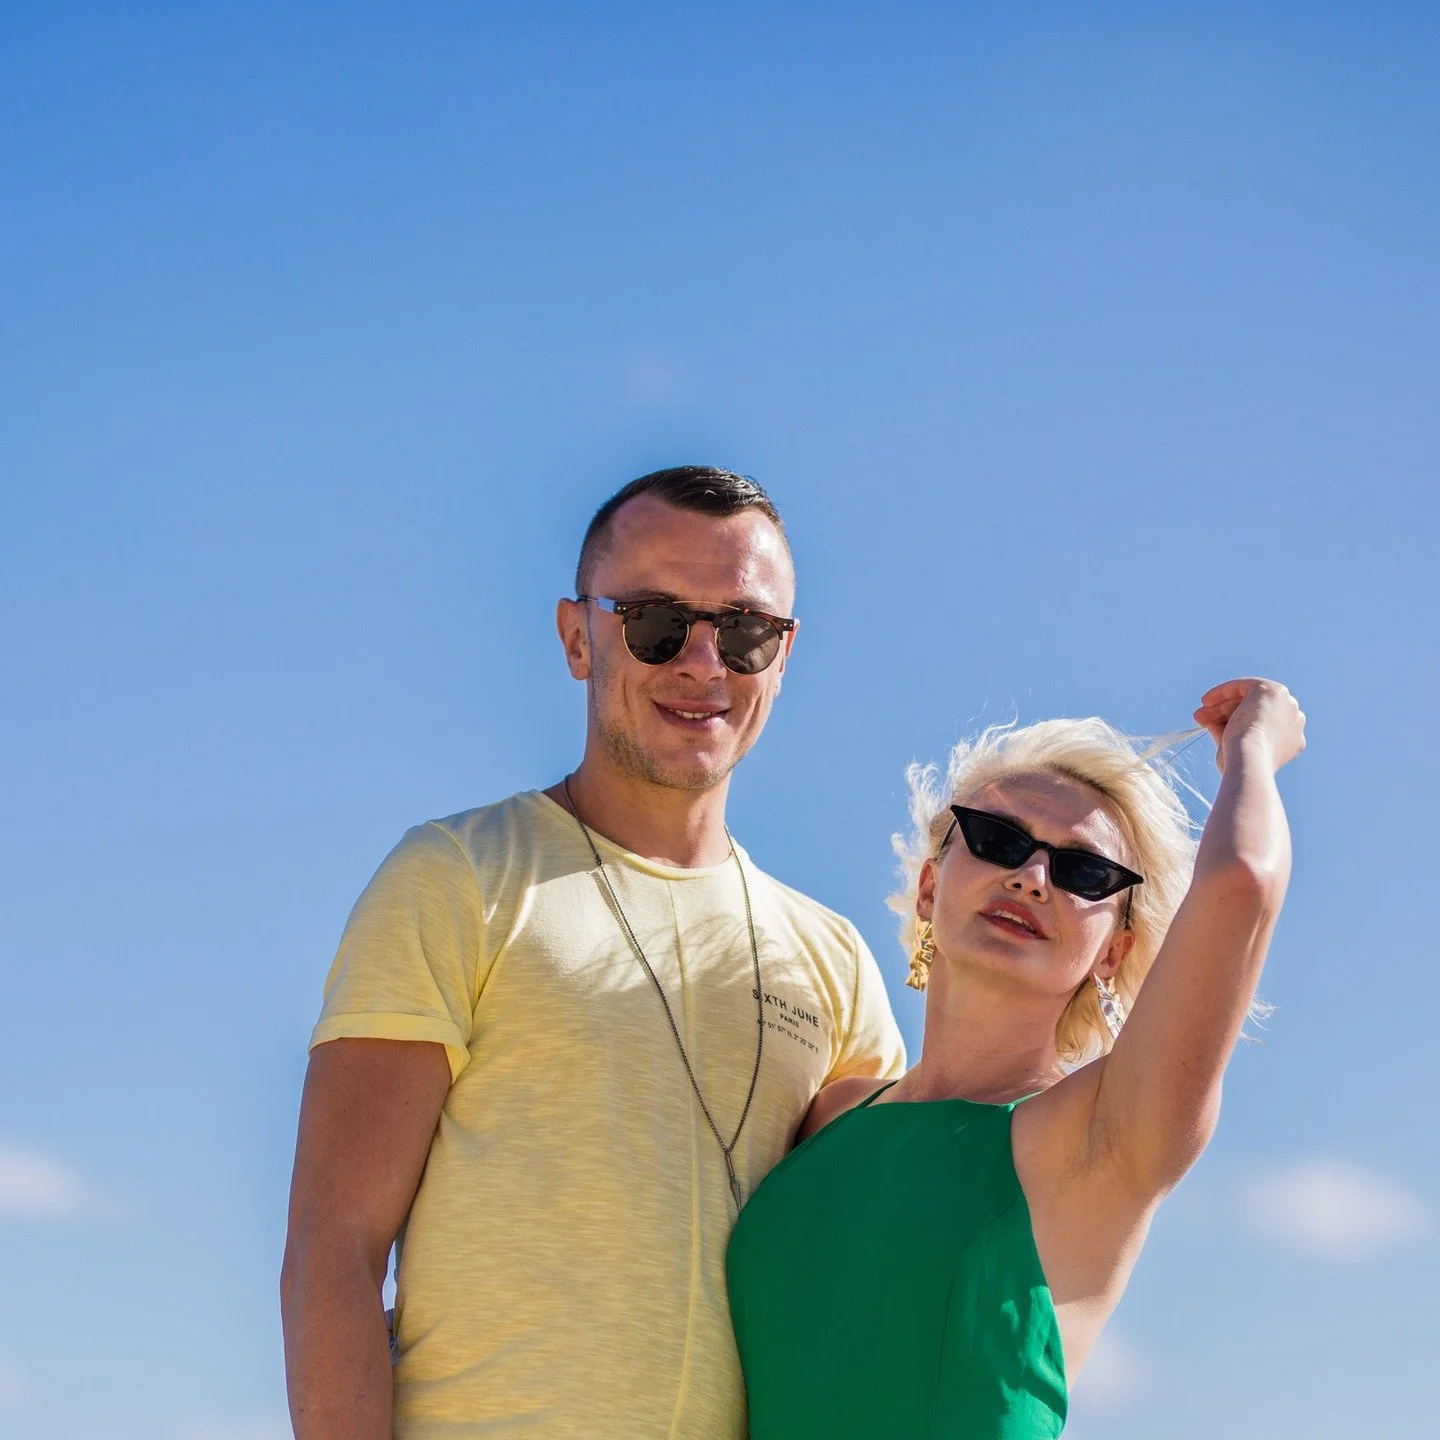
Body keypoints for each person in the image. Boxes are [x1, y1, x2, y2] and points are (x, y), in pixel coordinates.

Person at [280, 466, 905, 1440]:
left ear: (784, 658)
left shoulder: (837, 961)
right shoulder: (458, 877)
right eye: (656, 621)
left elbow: (879, 1285)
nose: (704, 662)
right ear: (579, 637)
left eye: (745, 632)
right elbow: (336, 1247)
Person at [727, 678, 1305, 1439]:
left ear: (1116, 951)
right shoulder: (832, 1112)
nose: (1032, 875)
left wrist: (1256, 748)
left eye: (1084, 873)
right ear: (930, 887)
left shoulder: (1103, 1137)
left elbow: (1240, 883)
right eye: (999, 839)